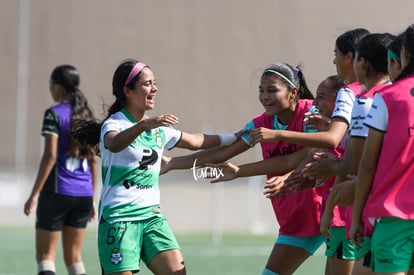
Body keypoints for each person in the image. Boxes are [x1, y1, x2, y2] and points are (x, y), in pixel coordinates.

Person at [71, 59, 240, 275]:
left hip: (152, 217)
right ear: (128, 91)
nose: (155, 88)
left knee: (177, 272)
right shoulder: (115, 124)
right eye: (148, 83)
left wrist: (236, 137)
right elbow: (113, 144)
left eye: (155, 83)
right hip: (119, 218)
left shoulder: (158, 129)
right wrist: (142, 126)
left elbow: (197, 141)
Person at [163, 63, 325, 275]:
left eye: (272, 90)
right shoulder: (260, 124)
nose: (264, 96)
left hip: (327, 211)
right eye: (261, 90)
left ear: (293, 92)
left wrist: (241, 171)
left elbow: (303, 156)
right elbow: (223, 153)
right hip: (296, 219)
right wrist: (173, 163)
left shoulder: (310, 114)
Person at [349, 24, 414, 275]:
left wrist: (356, 217)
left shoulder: (388, 97)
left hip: (394, 217)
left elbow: (367, 164)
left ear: (404, 53)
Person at [23, 65, 97, 275]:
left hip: (58, 192)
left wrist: (34, 194)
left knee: (46, 257)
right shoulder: (86, 116)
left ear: (57, 87)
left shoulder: (54, 114)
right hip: (83, 195)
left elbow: (51, 157)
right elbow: (93, 162)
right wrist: (92, 197)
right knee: (74, 258)